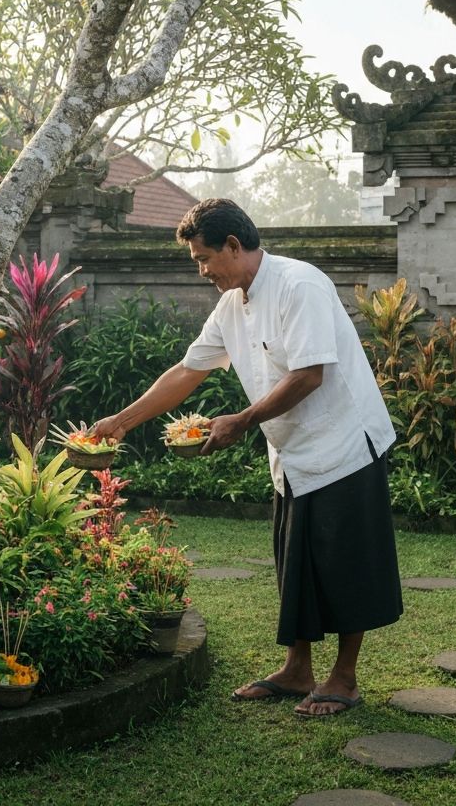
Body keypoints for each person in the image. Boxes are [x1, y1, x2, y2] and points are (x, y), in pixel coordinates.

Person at [93, 198, 402, 717]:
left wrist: (243, 420)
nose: (202, 270)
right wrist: (120, 423)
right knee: (295, 562)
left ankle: (343, 679)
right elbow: (187, 372)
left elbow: (309, 375)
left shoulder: (299, 285)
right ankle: (297, 668)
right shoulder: (231, 304)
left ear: (233, 246)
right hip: (293, 454)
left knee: (348, 564)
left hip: (345, 444)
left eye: (203, 258)